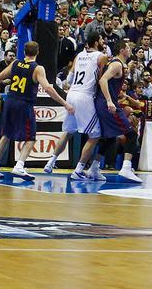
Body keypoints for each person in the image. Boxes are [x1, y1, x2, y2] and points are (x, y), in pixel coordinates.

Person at [0, 41, 72, 180]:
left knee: (6, 135)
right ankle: (19, 166)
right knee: (30, 138)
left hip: (10, 101)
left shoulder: (15, 63)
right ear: (38, 52)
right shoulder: (37, 68)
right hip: (23, 104)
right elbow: (48, 88)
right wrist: (64, 103)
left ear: (24, 52)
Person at [44, 33, 106, 180]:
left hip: (71, 94)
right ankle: (79, 170)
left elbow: (69, 79)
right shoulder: (101, 56)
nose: (103, 41)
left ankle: (50, 162)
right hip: (85, 96)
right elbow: (101, 79)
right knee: (95, 135)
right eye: (101, 39)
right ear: (96, 42)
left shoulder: (79, 56)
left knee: (68, 132)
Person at [91, 40, 142, 183]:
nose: (130, 50)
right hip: (107, 104)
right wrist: (109, 100)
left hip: (104, 102)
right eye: (127, 48)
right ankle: (126, 168)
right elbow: (103, 80)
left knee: (111, 136)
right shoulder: (117, 64)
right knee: (132, 134)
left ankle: (94, 167)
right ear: (121, 50)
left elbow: (108, 82)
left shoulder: (117, 64)